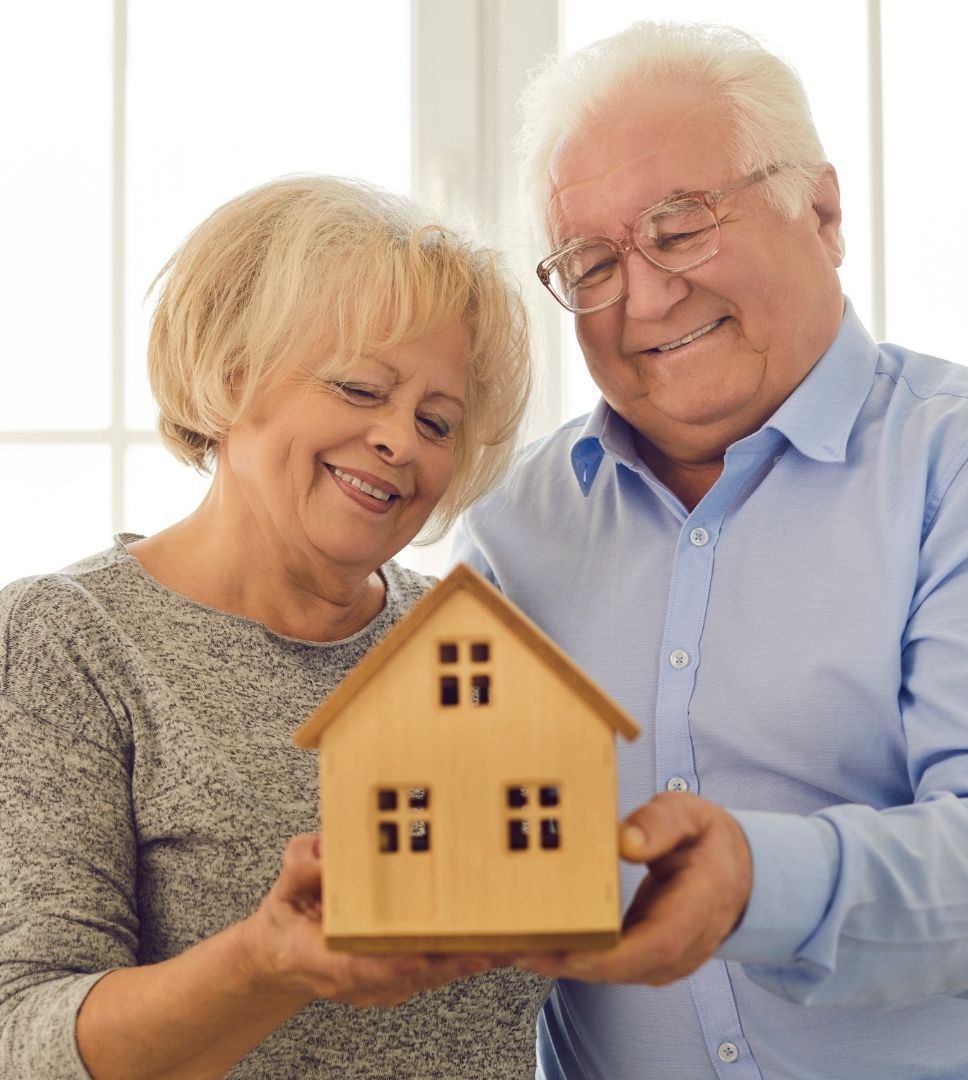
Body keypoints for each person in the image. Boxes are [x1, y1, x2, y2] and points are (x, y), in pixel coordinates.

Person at [452, 21, 968, 1080]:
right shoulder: (514, 534)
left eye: (682, 226)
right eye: (593, 263)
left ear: (822, 211)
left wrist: (757, 883)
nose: (646, 297)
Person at [0, 175, 550, 1078]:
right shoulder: (72, 639)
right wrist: (263, 961)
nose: (401, 443)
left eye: (437, 420)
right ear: (228, 375)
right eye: (359, 387)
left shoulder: (468, 644)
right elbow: (24, 1037)